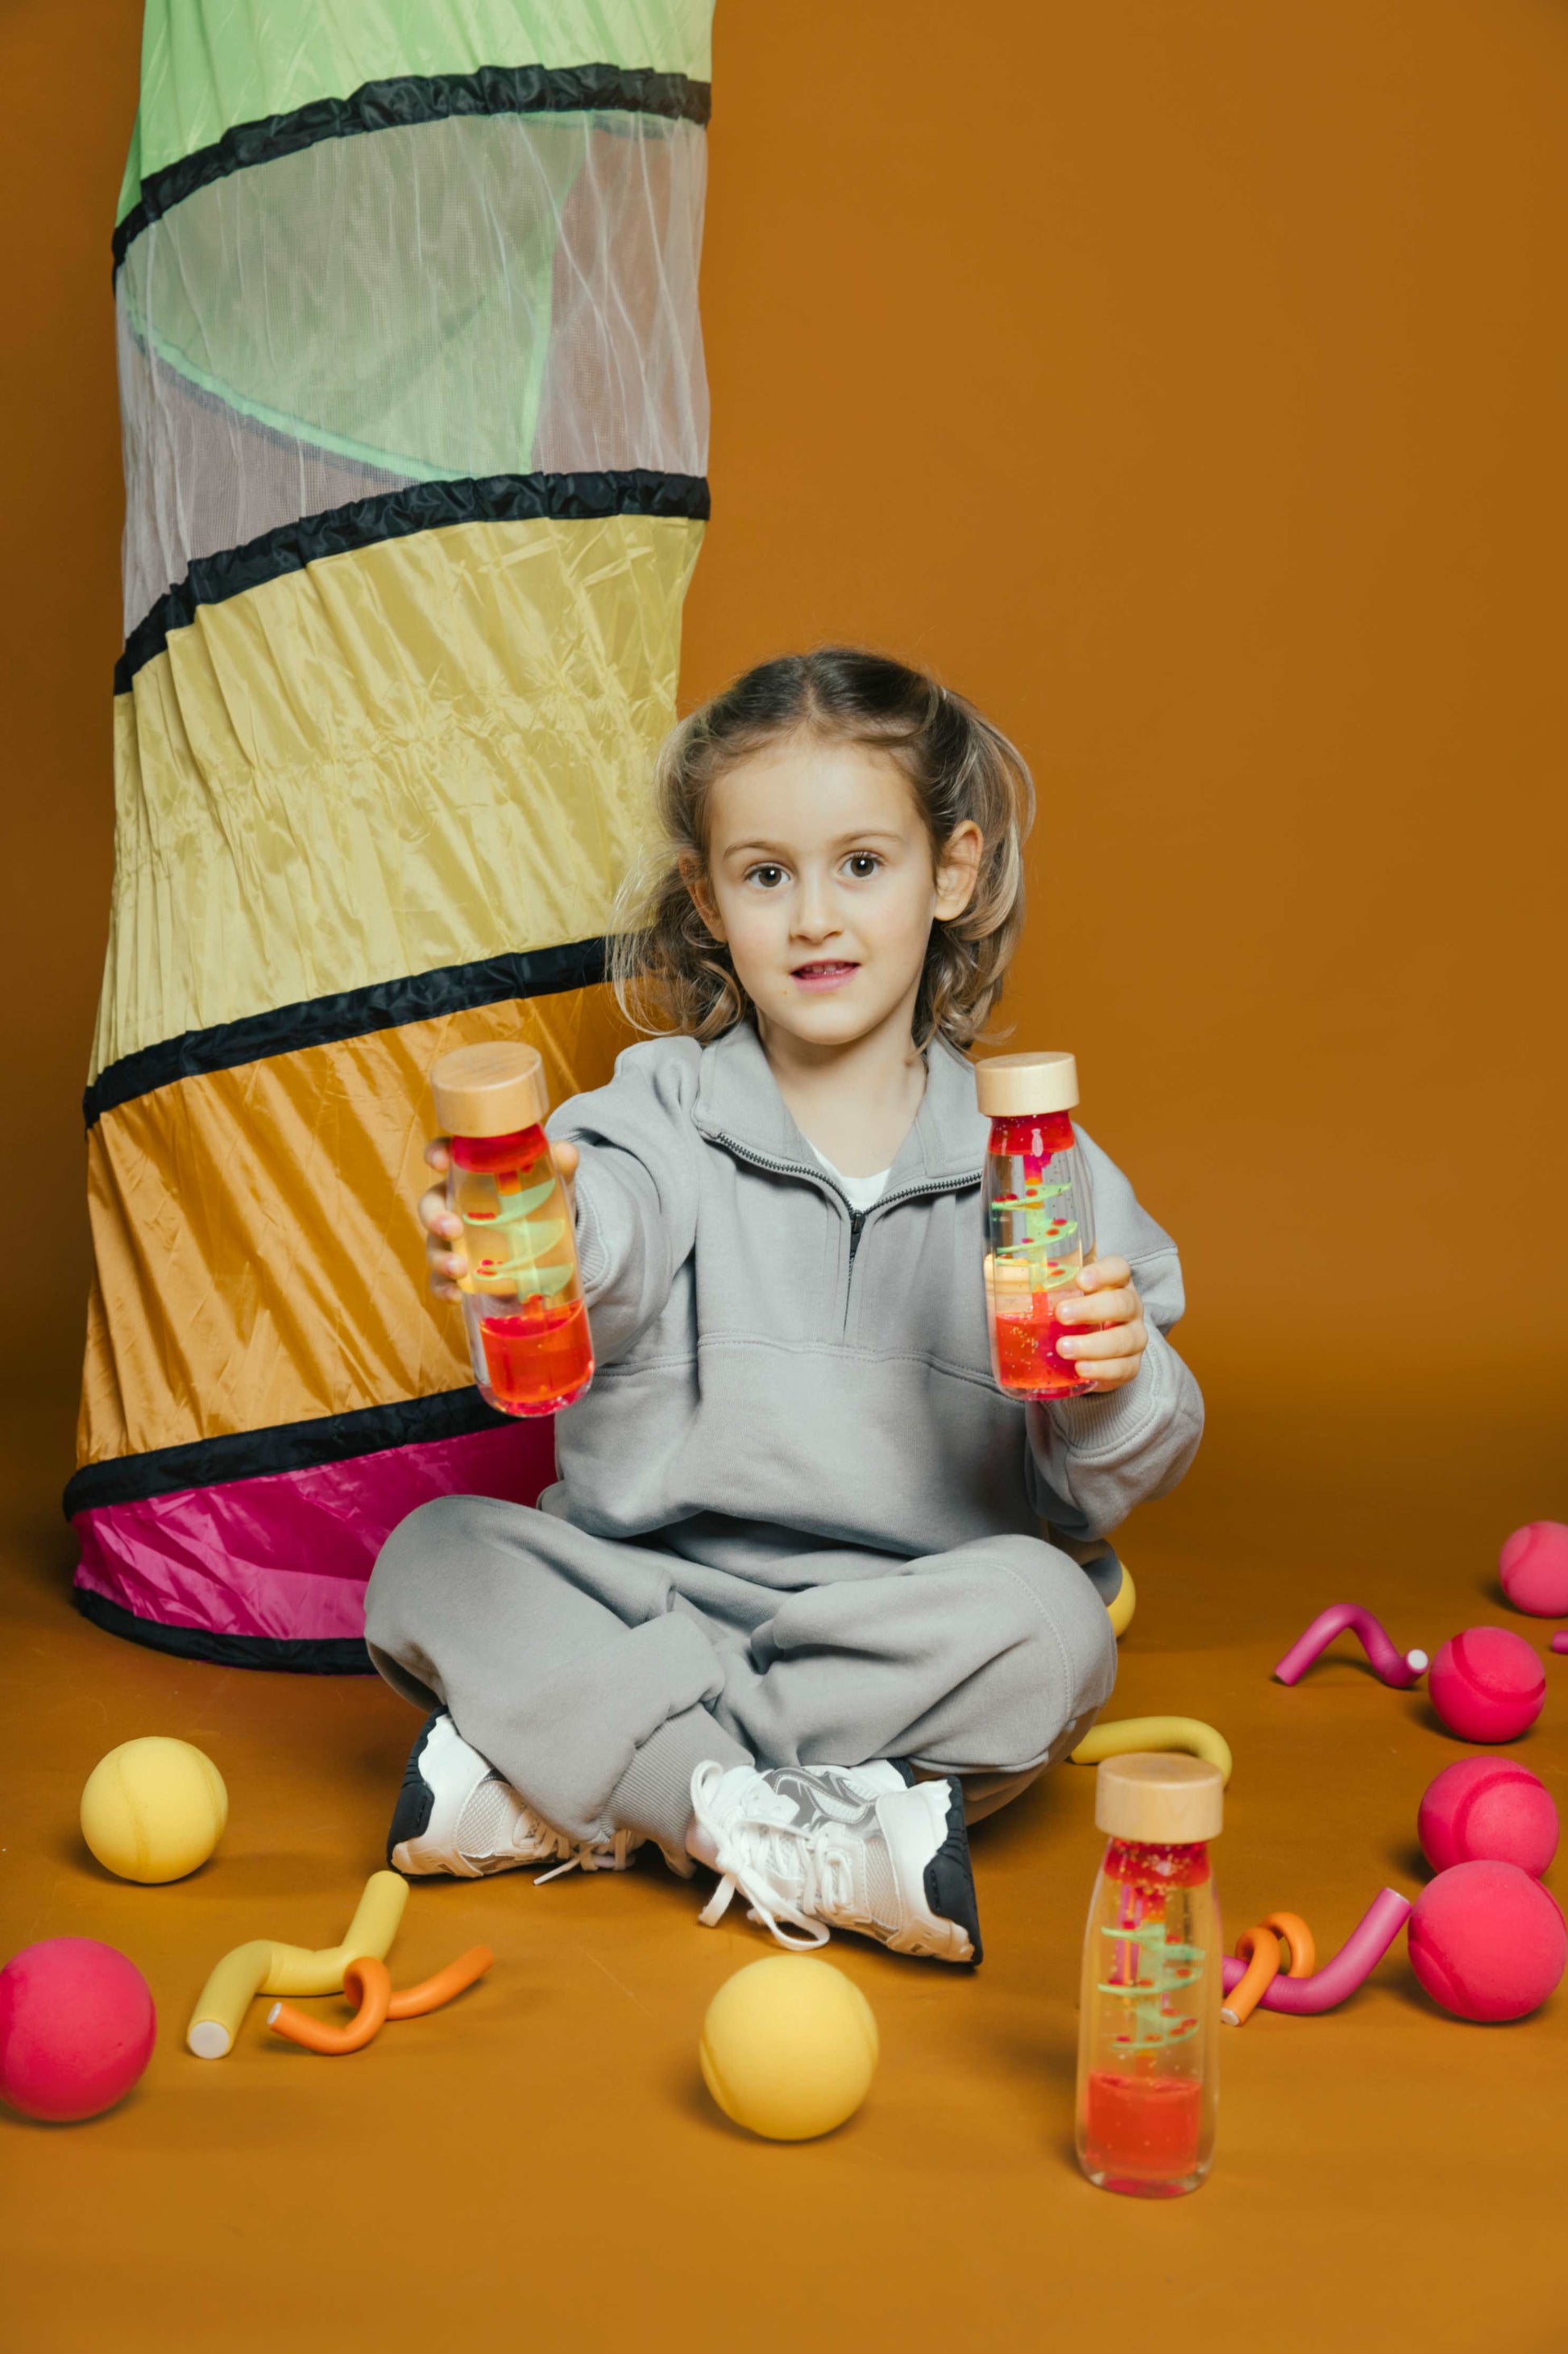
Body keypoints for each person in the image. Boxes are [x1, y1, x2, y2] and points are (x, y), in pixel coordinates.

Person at [366, 648, 1202, 1964]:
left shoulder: (1038, 1169)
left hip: (895, 1620)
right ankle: (768, 1821)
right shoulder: (658, 1109)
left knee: (1052, 1624)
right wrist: (544, 1245)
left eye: (861, 864)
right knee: (436, 1554)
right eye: (766, 876)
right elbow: (606, 1229)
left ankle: (594, 1784)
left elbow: (1106, 1473)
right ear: (707, 899)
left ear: (953, 872)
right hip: (646, 1597)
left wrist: (1115, 1379)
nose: (814, 917)